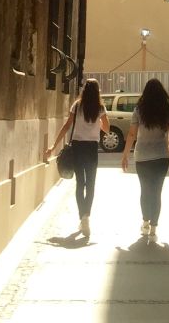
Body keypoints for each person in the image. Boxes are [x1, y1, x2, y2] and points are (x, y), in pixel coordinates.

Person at [44, 78, 110, 237]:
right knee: (91, 183)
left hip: (78, 147)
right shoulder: (100, 108)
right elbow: (107, 129)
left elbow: (67, 126)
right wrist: (97, 124)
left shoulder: (77, 105)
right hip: (92, 148)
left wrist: (53, 146)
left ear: (84, 90)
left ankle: (82, 216)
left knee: (80, 183)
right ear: (97, 91)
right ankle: (87, 215)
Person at [121, 78, 169, 243]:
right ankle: (154, 227)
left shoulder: (139, 110)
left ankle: (145, 222)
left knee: (145, 191)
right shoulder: (167, 109)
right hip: (161, 156)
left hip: (142, 156)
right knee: (157, 192)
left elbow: (131, 134)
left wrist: (125, 155)